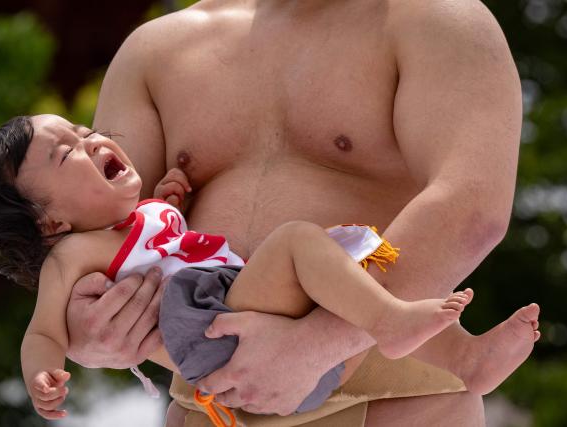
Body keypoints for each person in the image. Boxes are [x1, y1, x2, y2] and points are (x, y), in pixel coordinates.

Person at [63, 0, 530, 425]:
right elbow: (94, 236)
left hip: (396, 404)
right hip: (208, 406)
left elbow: (472, 205)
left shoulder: (433, 16)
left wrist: (320, 345)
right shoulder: (155, 49)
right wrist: (85, 332)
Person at [0, 114, 534, 424]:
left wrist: (171, 201)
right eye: (66, 152)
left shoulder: (142, 217)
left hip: (238, 315)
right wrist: (44, 374)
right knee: (301, 244)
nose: (90, 138)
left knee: (345, 264)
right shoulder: (73, 255)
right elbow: (43, 331)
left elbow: (167, 246)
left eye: (84, 130)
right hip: (213, 337)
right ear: (50, 225)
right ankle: (393, 323)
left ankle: (465, 359)